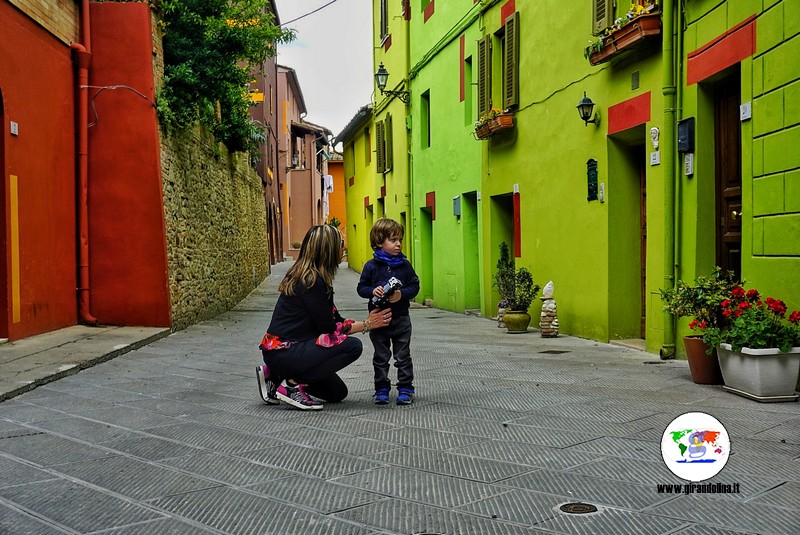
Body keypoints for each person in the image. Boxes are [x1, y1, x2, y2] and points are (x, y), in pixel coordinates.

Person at [256, 224, 392, 410]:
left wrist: (366, 322)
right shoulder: (310, 282)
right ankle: (292, 385)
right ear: (328, 248)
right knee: (352, 347)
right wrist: (367, 324)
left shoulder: (312, 277)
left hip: (287, 352)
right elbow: (328, 329)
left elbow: (334, 319)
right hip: (285, 352)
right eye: (341, 243)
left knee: (336, 393)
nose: (343, 247)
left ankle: (274, 375)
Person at [357, 218, 420, 405]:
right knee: (381, 357)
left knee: (403, 356)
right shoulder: (371, 266)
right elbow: (361, 288)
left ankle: (406, 388)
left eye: (400, 239)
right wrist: (371, 290)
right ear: (379, 242)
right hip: (379, 320)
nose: (398, 244)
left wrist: (401, 294)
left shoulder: (405, 265)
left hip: (401, 319)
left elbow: (414, 286)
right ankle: (381, 388)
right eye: (393, 240)